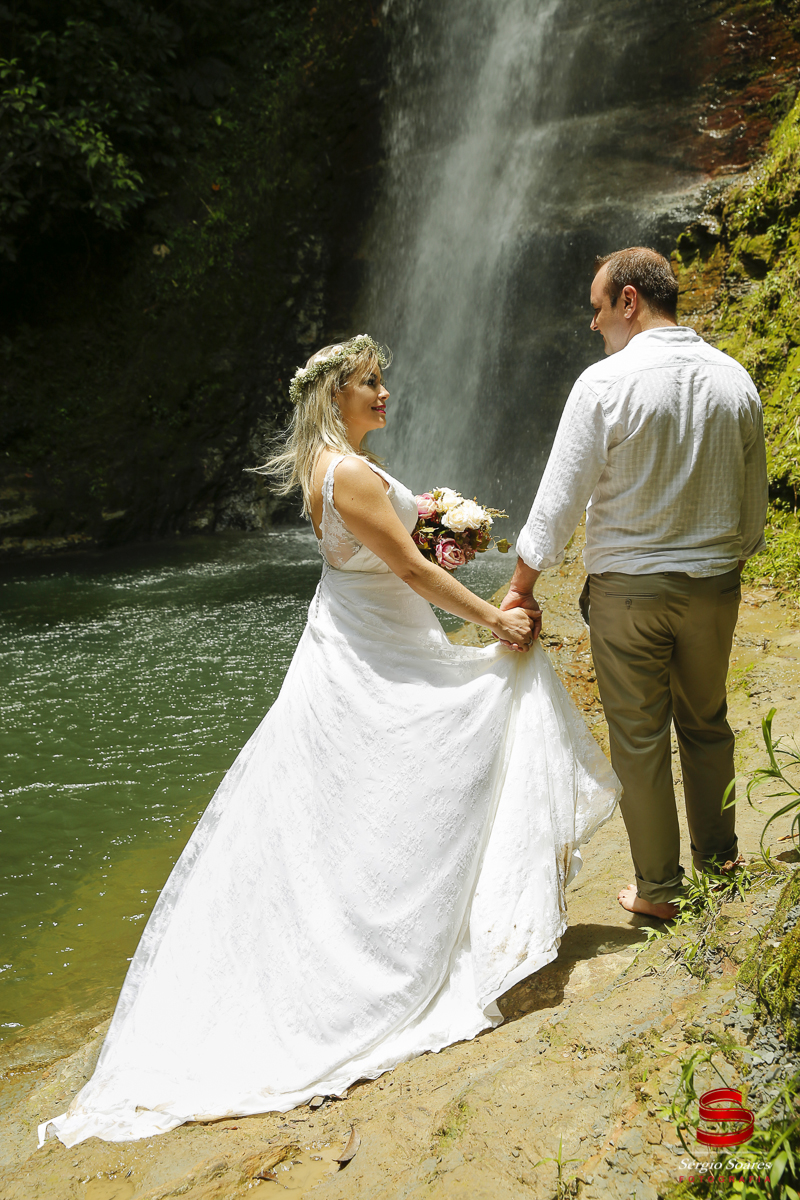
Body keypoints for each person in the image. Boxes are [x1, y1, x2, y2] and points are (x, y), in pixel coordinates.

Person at [40, 334, 618, 1148]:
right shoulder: (345, 472)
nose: (385, 393)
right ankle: (407, 950)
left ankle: (420, 920)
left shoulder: (329, 470)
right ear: (333, 397)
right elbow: (412, 576)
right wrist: (496, 616)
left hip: (357, 640)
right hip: (375, 648)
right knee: (432, 752)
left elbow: (396, 559)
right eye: (369, 384)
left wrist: (435, 528)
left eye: (384, 381)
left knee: (367, 797)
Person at [501, 248, 768, 921]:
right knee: (707, 724)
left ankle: (659, 890)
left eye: (597, 310)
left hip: (628, 594)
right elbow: (753, 505)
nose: (594, 327)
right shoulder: (736, 380)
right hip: (713, 587)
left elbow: (558, 501)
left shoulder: (603, 385)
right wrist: (726, 563)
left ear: (628, 301)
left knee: (640, 742)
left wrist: (521, 586)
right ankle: (722, 865)